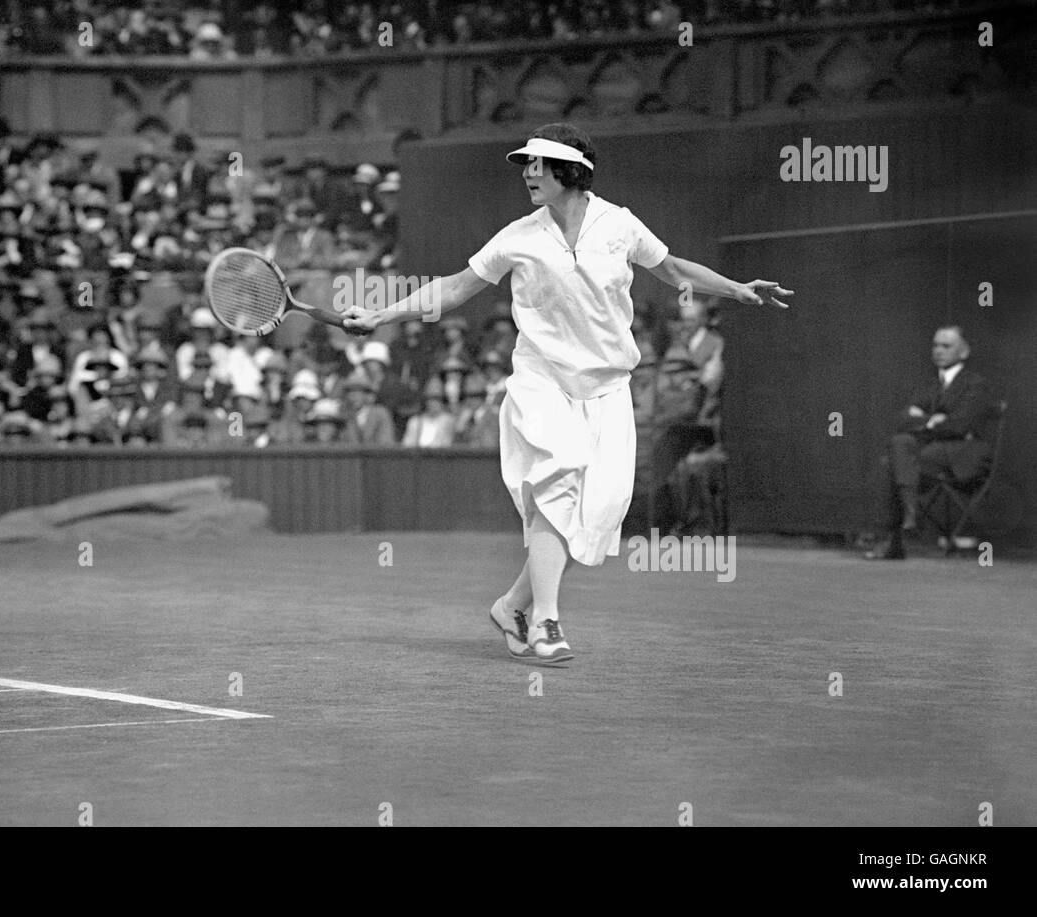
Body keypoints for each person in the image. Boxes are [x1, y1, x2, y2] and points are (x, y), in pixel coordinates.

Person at [343, 122, 792, 665]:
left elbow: (672, 269)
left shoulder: (619, 225)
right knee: (558, 477)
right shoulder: (518, 236)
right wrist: (381, 313)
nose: (529, 172)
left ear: (571, 169)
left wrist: (736, 288)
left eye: (540, 162)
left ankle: (511, 605)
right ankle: (545, 624)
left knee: (597, 514)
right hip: (543, 380)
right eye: (525, 164)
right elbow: (457, 286)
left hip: (607, 388)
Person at [868, 325, 997, 560]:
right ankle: (909, 513)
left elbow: (960, 426)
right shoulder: (929, 386)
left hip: (964, 456)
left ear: (964, 351)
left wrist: (923, 421)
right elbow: (902, 420)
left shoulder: (976, 385)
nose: (938, 350)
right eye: (935, 345)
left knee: (893, 459)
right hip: (930, 456)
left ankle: (895, 536)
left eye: (946, 346)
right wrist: (933, 420)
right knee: (899, 445)